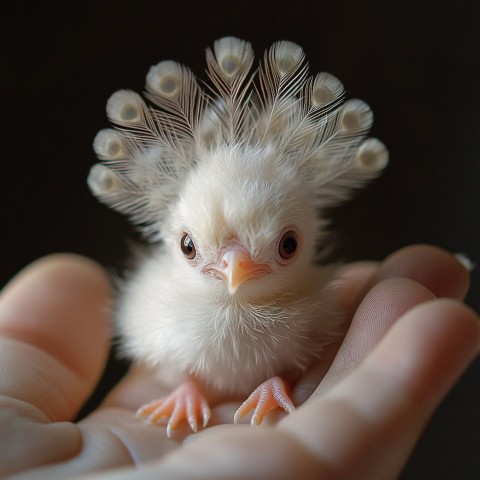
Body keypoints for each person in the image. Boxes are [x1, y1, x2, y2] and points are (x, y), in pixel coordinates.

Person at [0, 245, 478, 479]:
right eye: (193, 248)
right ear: (178, 239)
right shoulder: (162, 297)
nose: (235, 270)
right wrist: (185, 385)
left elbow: (307, 350)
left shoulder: (308, 302)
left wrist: (281, 378)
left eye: (284, 246)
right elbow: (155, 347)